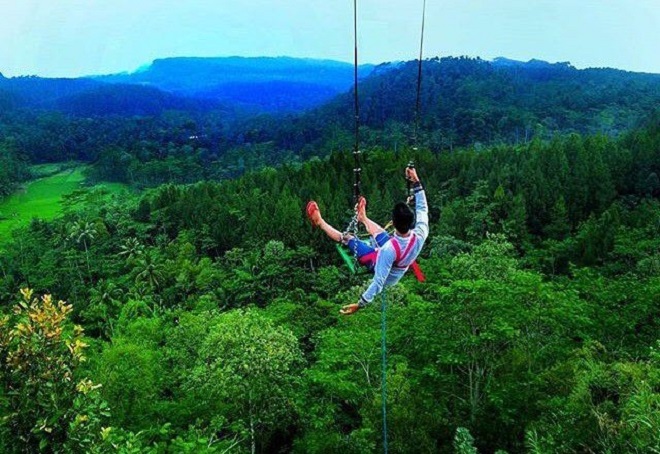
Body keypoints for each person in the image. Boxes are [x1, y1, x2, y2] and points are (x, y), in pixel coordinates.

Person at [306, 166, 428, 315]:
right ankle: (363, 218)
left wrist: (360, 303)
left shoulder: (387, 250)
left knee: (347, 238)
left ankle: (319, 222)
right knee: (380, 233)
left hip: (385, 268)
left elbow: (379, 282)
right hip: (399, 254)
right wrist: (415, 181)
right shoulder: (421, 232)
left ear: (394, 223)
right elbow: (422, 207)